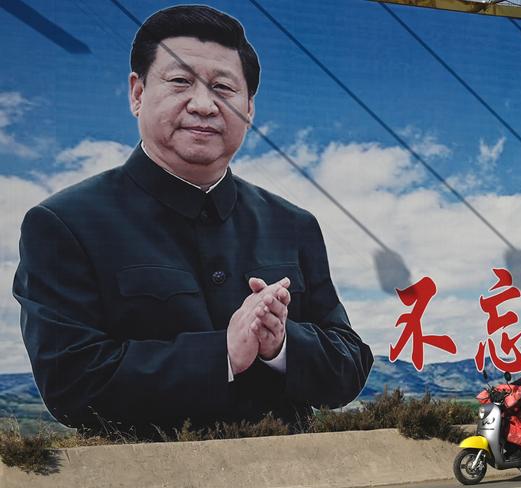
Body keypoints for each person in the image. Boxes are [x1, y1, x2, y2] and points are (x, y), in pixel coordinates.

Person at [13, 5, 373, 438]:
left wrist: (279, 345)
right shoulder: (63, 223)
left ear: (249, 108)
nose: (203, 105)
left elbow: (348, 365)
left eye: (223, 88)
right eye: (180, 81)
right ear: (137, 93)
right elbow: (72, 382)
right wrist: (223, 352)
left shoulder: (293, 224)